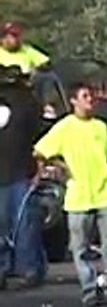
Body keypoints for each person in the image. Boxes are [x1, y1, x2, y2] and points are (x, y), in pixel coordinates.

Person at [34, 82, 107, 306]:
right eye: (85, 96)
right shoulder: (64, 127)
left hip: (105, 192)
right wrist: (62, 167)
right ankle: (89, 287)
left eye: (91, 96)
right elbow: (40, 150)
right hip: (78, 196)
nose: (90, 100)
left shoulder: (100, 127)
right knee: (80, 247)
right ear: (74, 101)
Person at [0, 65, 42, 289]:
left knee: (16, 224)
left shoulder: (26, 103)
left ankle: (17, 268)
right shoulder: (28, 101)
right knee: (23, 224)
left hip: (19, 171)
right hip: (20, 170)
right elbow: (38, 133)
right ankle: (28, 269)